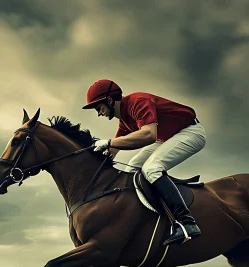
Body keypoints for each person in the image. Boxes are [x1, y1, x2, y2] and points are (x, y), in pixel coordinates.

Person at [82, 79, 206, 245]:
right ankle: (146, 217)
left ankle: (186, 222)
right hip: (168, 137)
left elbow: (149, 135)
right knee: (132, 167)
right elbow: (112, 150)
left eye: (99, 108)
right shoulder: (124, 120)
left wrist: (109, 142)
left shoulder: (138, 101)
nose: (99, 113)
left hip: (190, 132)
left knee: (151, 168)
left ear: (110, 100)